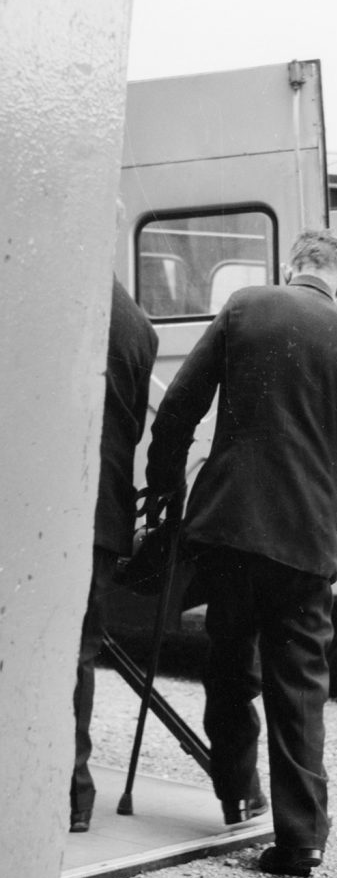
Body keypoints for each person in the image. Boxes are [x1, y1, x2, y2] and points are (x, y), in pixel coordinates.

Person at [145, 229, 337, 877]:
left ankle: (237, 790)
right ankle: (301, 838)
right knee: (300, 685)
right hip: (307, 540)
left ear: (291, 266)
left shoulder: (244, 307)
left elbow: (178, 407)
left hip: (230, 527)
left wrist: (164, 481)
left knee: (229, 665)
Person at [70, 277, 158, 834]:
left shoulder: (47, 288)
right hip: (103, 512)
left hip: (38, 505)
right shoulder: (139, 325)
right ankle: (73, 793)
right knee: (77, 653)